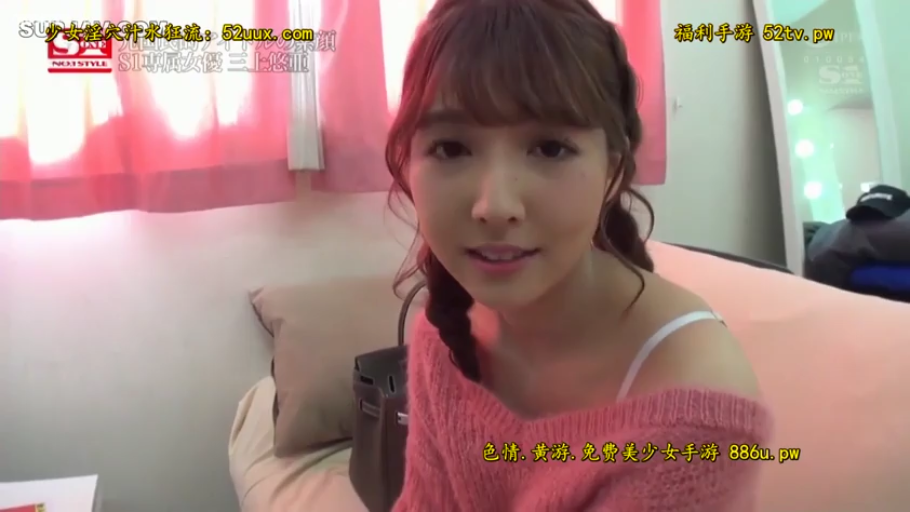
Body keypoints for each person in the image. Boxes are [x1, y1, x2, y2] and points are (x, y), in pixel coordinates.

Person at [386, 0, 772, 510]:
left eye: (549, 148)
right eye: (451, 148)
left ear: (613, 170)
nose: (495, 206)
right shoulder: (445, 332)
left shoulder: (695, 407)